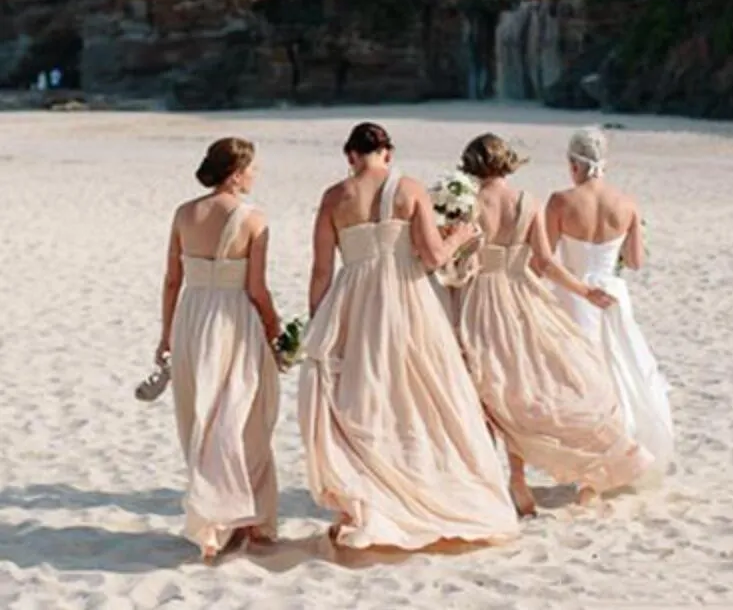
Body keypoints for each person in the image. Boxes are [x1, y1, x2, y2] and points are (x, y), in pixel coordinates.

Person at [299, 122, 520, 550]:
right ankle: (426, 487)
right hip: (406, 297)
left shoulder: (333, 198)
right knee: (422, 392)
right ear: (388, 152)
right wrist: (459, 235)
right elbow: (434, 258)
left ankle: (370, 495)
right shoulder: (409, 189)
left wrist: (318, 320)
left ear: (350, 156)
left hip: (352, 302)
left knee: (363, 396)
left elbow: (322, 270)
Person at [456, 133, 654, 516]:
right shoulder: (528, 203)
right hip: (519, 297)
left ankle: (513, 480)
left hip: (476, 299)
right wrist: (583, 290)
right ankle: (582, 468)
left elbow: (457, 256)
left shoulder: (468, 204)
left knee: (490, 390)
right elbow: (544, 263)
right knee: (520, 387)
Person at [156, 137, 281, 563]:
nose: (256, 174)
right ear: (236, 172)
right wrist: (274, 323)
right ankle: (251, 520)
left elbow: (172, 280)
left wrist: (166, 333)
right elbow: (257, 287)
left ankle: (213, 523)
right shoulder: (253, 219)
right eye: (252, 168)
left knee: (201, 418)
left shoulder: (184, 213)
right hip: (233, 320)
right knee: (243, 417)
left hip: (192, 317)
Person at [546, 126, 674, 480]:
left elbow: (544, 259)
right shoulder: (627, 202)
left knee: (582, 376)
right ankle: (627, 451)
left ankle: (591, 462)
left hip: (575, 294)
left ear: (573, 163)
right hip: (614, 293)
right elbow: (635, 261)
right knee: (621, 366)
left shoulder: (560, 201)